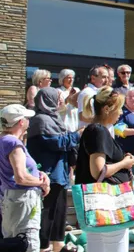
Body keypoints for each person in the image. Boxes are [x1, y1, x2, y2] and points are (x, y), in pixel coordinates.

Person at [75, 86, 134, 252]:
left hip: (99, 206)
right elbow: (98, 171)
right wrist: (124, 163)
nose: (120, 113)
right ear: (107, 109)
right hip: (108, 206)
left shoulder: (96, 130)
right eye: (118, 109)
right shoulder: (98, 131)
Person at [26, 88, 82, 252]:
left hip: (60, 173)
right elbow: (57, 142)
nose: (60, 101)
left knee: (59, 213)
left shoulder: (55, 118)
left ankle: (58, 246)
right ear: (47, 99)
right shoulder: (40, 120)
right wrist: (76, 135)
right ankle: (44, 247)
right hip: (48, 174)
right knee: (47, 214)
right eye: (57, 98)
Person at [0, 104, 50, 252]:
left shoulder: (4, 140)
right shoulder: (13, 143)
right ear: (21, 122)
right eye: (27, 118)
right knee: (27, 241)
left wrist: (40, 174)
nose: (29, 121)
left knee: (13, 242)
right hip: (22, 199)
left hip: (10, 198)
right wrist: (42, 183)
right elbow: (20, 177)